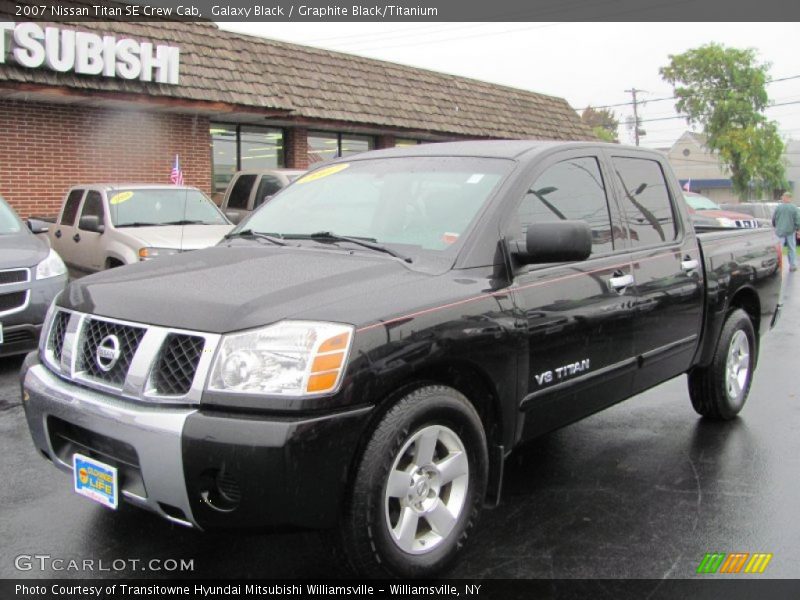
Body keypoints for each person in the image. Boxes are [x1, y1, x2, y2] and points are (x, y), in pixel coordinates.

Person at [772, 192, 800, 272]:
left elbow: (774, 220)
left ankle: (777, 266)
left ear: (785, 198)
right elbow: (798, 220)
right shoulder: (794, 208)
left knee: (778, 249)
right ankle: (792, 266)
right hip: (790, 231)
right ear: (790, 198)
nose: (782, 198)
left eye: (783, 197)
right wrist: (798, 230)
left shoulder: (778, 207)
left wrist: (776, 227)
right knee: (791, 248)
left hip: (779, 232)